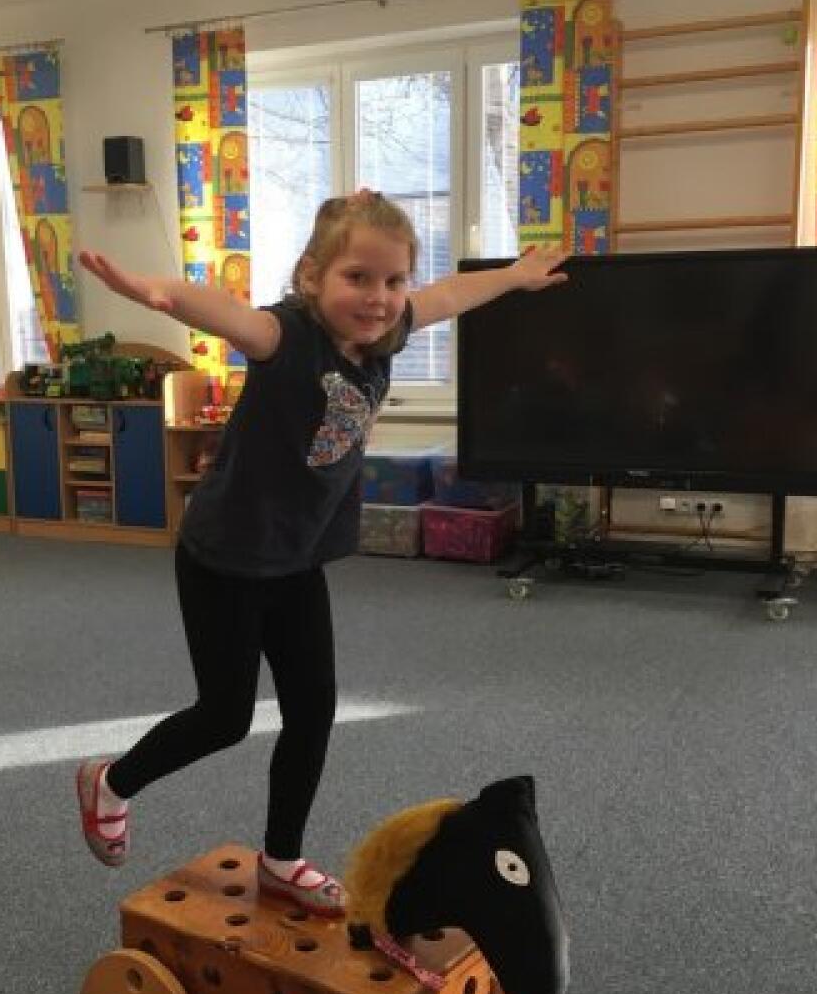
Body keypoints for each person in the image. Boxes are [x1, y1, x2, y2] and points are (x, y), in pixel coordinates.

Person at [75, 190, 567, 915]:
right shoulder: (288, 337)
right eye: (356, 277)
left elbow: (449, 295)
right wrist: (159, 293)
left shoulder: (387, 333)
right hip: (226, 558)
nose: (378, 297)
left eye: (392, 280)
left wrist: (515, 275)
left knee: (312, 713)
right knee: (225, 716)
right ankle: (112, 782)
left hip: (297, 559)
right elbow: (226, 313)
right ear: (312, 276)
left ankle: (282, 858)